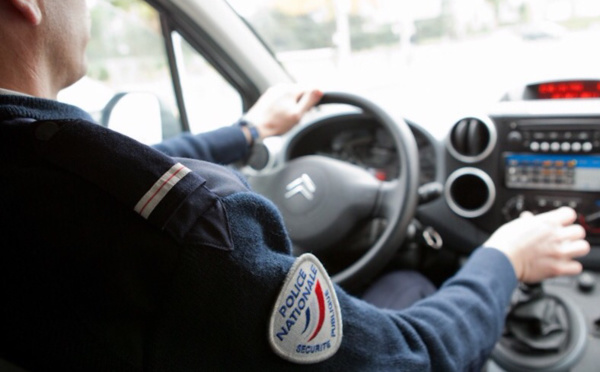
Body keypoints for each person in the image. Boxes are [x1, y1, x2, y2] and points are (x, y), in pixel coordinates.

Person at [0, 1, 590, 371]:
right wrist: (504, 260)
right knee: (408, 279)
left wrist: (249, 131)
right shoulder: (193, 232)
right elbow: (409, 357)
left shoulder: (41, 166)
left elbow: (137, 165)